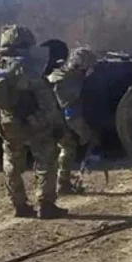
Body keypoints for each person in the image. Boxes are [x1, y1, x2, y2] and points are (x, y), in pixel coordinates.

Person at [0, 24, 70, 219]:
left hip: (6, 121)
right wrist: (57, 124)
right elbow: (45, 99)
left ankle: (19, 205)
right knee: (46, 159)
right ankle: (46, 205)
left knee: (11, 162)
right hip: (34, 121)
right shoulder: (26, 66)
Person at [46, 46, 100, 195]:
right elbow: (71, 116)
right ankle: (62, 184)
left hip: (44, 117)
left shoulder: (59, 74)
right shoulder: (70, 83)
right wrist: (86, 134)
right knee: (68, 146)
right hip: (52, 120)